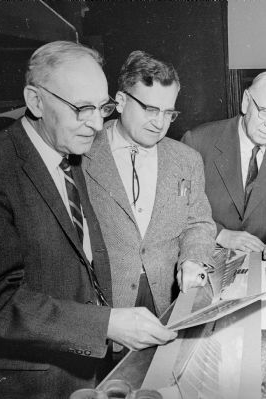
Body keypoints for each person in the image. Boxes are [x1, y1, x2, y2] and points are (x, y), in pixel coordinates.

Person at [0, 41, 177, 399]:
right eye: (82, 108)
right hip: (28, 382)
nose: (96, 124)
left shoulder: (67, 151)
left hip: (82, 370)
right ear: (35, 101)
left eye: (102, 107)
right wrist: (106, 323)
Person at [83, 51, 215, 330]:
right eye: (150, 109)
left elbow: (199, 222)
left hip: (166, 299)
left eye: (169, 113)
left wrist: (193, 260)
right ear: (119, 101)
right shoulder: (83, 153)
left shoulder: (187, 159)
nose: (160, 123)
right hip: (104, 305)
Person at [182, 71, 266, 262]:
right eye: (265, 111)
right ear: (245, 101)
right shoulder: (197, 142)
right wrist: (221, 234)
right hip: (205, 255)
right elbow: (180, 209)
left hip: (261, 262)